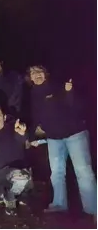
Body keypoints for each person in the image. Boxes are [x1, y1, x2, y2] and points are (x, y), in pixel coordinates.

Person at [27, 65, 96, 217]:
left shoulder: (58, 86)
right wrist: (33, 137)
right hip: (53, 138)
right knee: (57, 173)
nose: (37, 75)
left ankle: (93, 209)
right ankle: (59, 203)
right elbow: (37, 120)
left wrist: (70, 92)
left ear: (46, 74)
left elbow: (76, 106)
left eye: (39, 72)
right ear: (30, 78)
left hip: (75, 134)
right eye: (33, 73)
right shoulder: (33, 94)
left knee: (84, 172)